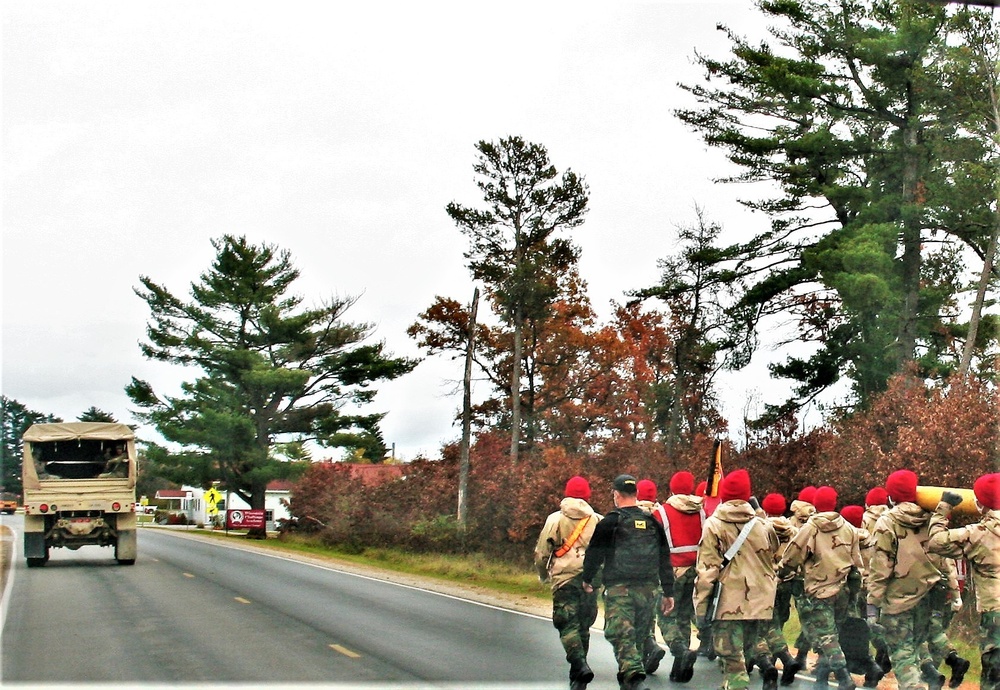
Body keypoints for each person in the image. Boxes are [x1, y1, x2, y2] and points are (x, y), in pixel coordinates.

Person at [582, 474, 675, 690]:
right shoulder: (652, 522)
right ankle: (631, 679)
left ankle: (634, 676)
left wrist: (588, 580)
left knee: (620, 634)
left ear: (616, 494)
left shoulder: (611, 521)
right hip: (649, 590)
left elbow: (594, 555)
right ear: (636, 494)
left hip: (619, 589)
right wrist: (668, 592)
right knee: (640, 637)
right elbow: (664, 558)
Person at [694, 469, 780, 690]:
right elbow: (775, 555)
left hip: (727, 601)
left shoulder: (714, 525)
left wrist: (701, 607)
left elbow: (707, 570)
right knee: (745, 653)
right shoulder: (763, 526)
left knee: (732, 659)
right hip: (759, 602)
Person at [867, 469, 944, 690]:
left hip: (898, 600)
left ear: (891, 495)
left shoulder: (886, 522)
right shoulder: (931, 518)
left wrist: (873, 603)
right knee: (914, 649)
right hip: (927, 596)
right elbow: (942, 557)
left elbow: (881, 567)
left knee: (902, 654)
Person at [778, 486, 861, 690]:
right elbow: (856, 563)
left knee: (826, 636)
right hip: (843, 590)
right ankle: (821, 679)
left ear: (816, 504)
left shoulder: (810, 528)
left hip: (818, 590)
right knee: (832, 633)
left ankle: (844, 678)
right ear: (835, 503)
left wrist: (782, 572)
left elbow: (792, 556)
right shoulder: (849, 528)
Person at [926, 476, 999, 687]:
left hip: (995, 613)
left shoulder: (978, 534)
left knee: (994, 676)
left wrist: (943, 508)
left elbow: (936, 542)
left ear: (981, 504)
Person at [534, 475, 602, 690]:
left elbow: (542, 552)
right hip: (591, 579)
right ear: (588, 495)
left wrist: (543, 575)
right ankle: (578, 674)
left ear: (566, 493)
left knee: (565, 623)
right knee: (583, 626)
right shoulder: (598, 520)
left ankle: (579, 665)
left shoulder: (555, 519)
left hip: (565, 579)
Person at [647, 471, 703, 682]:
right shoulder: (702, 512)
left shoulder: (661, 513)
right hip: (695, 572)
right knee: (684, 616)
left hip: (672, 572)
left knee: (666, 617)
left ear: (671, 489)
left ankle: (680, 651)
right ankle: (680, 668)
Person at [760, 492, 803, 685]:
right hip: (785, 581)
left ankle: (784, 658)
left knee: (766, 624)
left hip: (766, 582)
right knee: (780, 619)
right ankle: (775, 657)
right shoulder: (793, 530)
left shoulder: (762, 528)